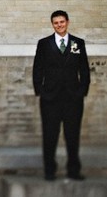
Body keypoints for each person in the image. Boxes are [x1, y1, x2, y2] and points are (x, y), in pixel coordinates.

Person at [32, 10, 90, 181]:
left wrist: (82, 91)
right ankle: (49, 171)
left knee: (73, 136)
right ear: (52, 25)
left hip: (73, 98)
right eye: (56, 23)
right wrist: (40, 90)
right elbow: (38, 69)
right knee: (50, 135)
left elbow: (84, 69)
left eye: (62, 22)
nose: (59, 25)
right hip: (50, 99)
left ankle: (73, 170)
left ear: (67, 22)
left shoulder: (78, 43)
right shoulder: (44, 44)